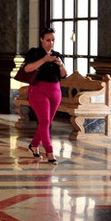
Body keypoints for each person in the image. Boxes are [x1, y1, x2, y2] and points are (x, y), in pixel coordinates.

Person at [21, 26, 68, 164]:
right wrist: (44, 60)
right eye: (48, 40)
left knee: (45, 123)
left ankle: (34, 145)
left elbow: (64, 75)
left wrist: (60, 64)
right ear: (41, 40)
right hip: (38, 90)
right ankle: (49, 151)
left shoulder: (57, 54)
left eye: (53, 40)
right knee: (45, 122)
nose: (51, 43)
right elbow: (27, 69)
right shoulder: (34, 53)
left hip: (55, 92)